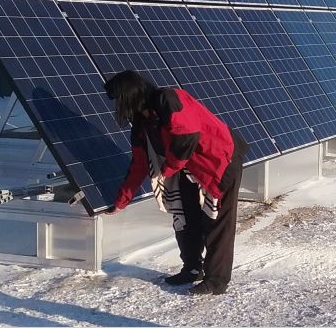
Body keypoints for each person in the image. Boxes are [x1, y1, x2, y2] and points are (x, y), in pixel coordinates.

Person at [103, 70, 248, 296]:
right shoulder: (141, 123)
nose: (118, 107)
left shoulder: (168, 98)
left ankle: (216, 281)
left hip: (220, 160)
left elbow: (187, 135)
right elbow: (139, 164)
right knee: (185, 216)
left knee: (217, 221)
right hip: (186, 166)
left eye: (119, 99)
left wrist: (169, 168)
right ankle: (191, 268)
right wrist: (122, 200)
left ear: (130, 94)